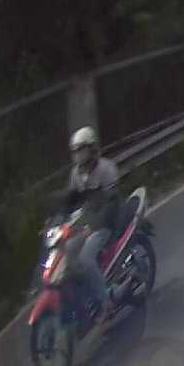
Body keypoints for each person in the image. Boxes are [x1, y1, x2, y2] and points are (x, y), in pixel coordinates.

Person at [66, 126, 119, 320]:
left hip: (105, 224)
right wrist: (55, 219)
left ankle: (106, 303)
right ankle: (87, 295)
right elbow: (71, 201)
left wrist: (94, 225)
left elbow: (111, 203)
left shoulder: (106, 169)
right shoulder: (75, 174)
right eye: (75, 151)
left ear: (91, 148)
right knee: (67, 252)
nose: (78, 155)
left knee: (86, 259)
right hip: (86, 224)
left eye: (81, 149)